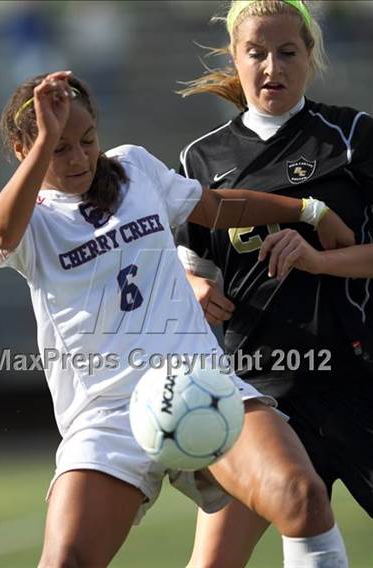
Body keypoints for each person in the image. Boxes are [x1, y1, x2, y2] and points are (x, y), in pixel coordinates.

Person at [0, 70, 352, 568]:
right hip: (106, 414)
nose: (78, 157)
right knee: (64, 561)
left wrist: (307, 209)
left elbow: (214, 207)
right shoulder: (25, 215)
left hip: (196, 384)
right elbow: (1, 238)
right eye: (57, 148)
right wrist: (47, 136)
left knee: (301, 496)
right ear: (25, 151)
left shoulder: (132, 167)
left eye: (86, 141)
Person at [175, 0, 373, 566]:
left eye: (287, 52)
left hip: (354, 378)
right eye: (256, 53)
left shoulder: (352, 136)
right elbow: (189, 259)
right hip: (260, 393)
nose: (271, 68)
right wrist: (192, 286)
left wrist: (319, 261)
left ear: (309, 56)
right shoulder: (201, 158)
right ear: (234, 58)